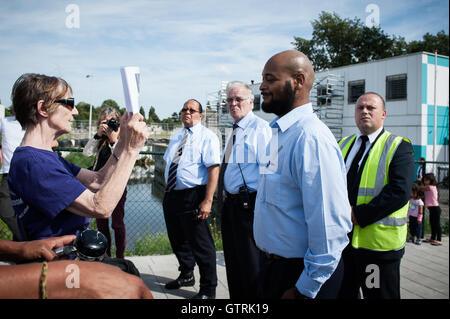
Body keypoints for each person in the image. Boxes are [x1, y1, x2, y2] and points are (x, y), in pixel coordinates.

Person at [6, 73, 148, 277]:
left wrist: (122, 141)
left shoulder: (43, 156)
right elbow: (100, 207)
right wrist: (131, 150)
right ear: (43, 108)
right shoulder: (34, 163)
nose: (76, 111)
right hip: (60, 271)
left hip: (68, 263)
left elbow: (98, 180)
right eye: (70, 103)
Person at [254, 50, 352, 299]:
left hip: (300, 276)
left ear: (297, 81)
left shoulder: (311, 138)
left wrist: (304, 289)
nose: (262, 87)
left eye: (270, 79)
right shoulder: (278, 134)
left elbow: (331, 228)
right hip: (274, 269)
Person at [338, 92, 415, 299]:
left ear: (383, 114)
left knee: (379, 296)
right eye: (359, 107)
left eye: (370, 108)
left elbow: (399, 192)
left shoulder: (399, 146)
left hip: (376, 250)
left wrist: (358, 215)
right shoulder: (343, 144)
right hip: (343, 245)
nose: (364, 111)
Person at [217, 81, 272, 299]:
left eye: (238, 99)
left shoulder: (262, 129)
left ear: (251, 101)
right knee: (233, 263)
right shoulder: (233, 130)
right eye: (229, 100)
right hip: (231, 205)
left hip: (250, 206)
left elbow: (271, 174)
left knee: (251, 266)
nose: (233, 103)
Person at [162, 99, 220, 299]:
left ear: (200, 115)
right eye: (184, 109)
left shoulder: (208, 137)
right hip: (172, 194)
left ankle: (208, 289)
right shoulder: (177, 135)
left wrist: (208, 200)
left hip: (193, 195)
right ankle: (186, 274)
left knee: (201, 245)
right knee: (177, 239)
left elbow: (213, 169)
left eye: (192, 110)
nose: (187, 112)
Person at [83, 107, 127, 258]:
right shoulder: (100, 140)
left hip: (117, 185)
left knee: (117, 224)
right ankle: (105, 255)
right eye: (104, 122)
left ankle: (120, 257)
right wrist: (98, 135)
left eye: (111, 122)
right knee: (101, 224)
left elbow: (122, 158)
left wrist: (113, 139)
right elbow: (86, 153)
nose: (107, 125)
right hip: (99, 186)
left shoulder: (122, 137)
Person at [0, 115, 25, 241]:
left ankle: (23, 250)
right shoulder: (4, 122)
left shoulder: (34, 121)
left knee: (25, 213)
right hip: (8, 173)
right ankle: (26, 242)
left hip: (27, 173)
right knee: (5, 210)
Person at [420, 173, 442, 246]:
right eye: (425, 180)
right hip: (431, 209)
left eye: (427, 180)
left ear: (431, 180)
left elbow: (421, 188)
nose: (425, 181)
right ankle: (433, 237)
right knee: (432, 223)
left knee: (437, 224)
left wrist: (421, 181)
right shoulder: (428, 186)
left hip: (435, 208)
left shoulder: (431, 187)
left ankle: (439, 239)